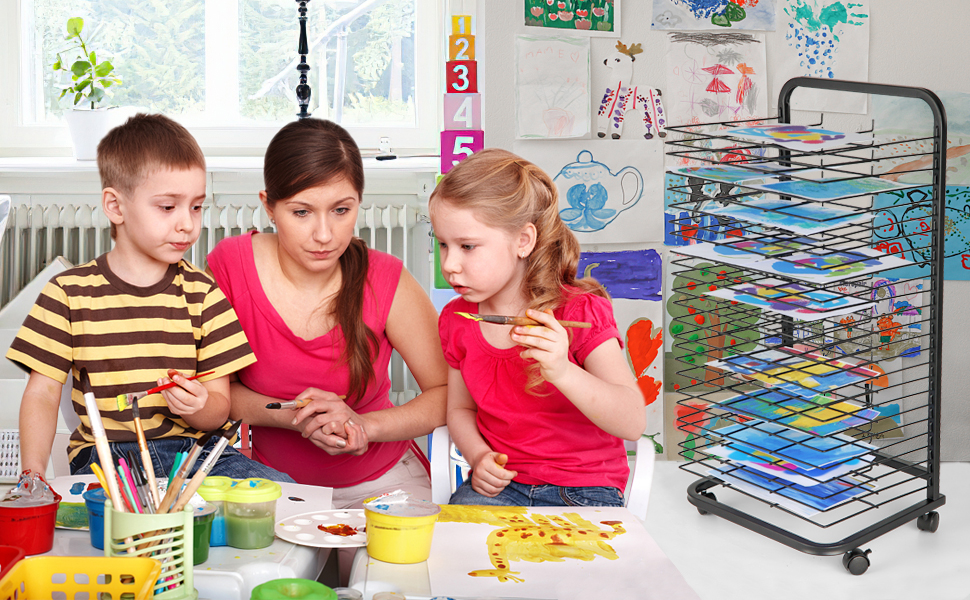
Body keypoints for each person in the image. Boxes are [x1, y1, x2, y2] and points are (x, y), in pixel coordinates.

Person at [6, 113, 291, 483]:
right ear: (115, 206)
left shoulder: (204, 295)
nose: (187, 224)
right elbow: (42, 394)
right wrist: (33, 475)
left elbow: (219, 408)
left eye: (196, 206)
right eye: (168, 207)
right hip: (109, 457)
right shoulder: (68, 293)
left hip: (198, 454)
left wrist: (199, 407)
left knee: (284, 491)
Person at [206, 118, 447, 509]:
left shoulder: (386, 277)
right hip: (272, 486)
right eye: (301, 212)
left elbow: (448, 392)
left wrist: (366, 426)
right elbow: (218, 394)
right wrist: (295, 417)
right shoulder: (230, 266)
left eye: (340, 210)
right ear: (269, 206)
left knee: (391, 569)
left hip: (384, 481)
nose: (324, 234)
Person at [430, 148, 646, 507]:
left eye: (467, 246)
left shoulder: (580, 311)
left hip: (586, 489)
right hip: (501, 490)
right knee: (455, 557)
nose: (450, 264)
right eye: (442, 244)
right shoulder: (457, 319)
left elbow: (632, 422)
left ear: (523, 241)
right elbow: (460, 410)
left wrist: (562, 371)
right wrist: (478, 457)